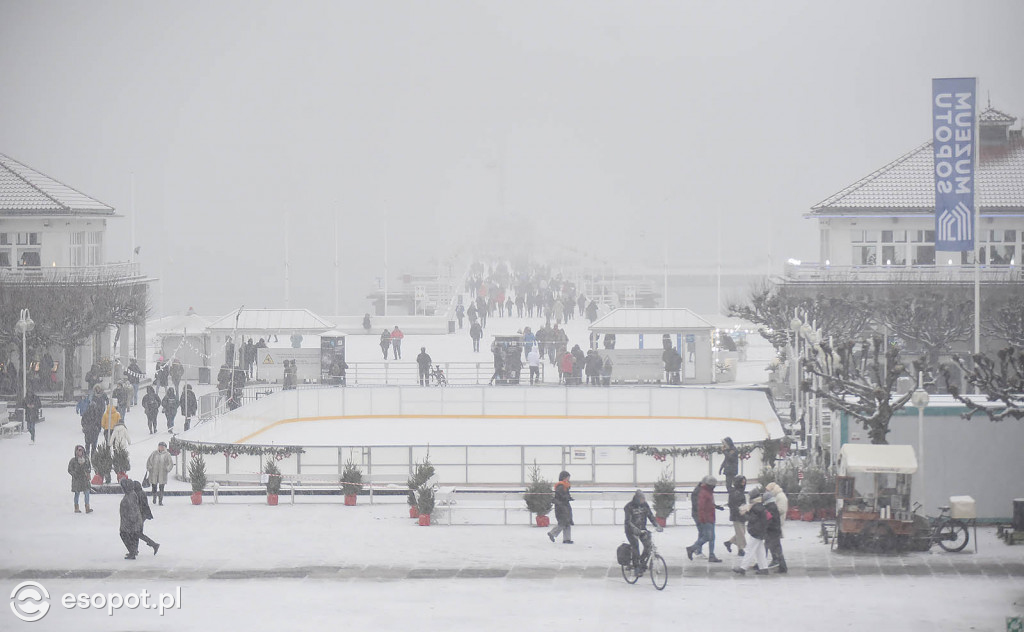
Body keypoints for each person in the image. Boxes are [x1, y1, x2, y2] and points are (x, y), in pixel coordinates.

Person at [686, 475, 724, 563]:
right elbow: (701, 507)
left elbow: (709, 504)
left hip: (710, 516)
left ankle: (711, 555)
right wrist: (702, 518)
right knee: (707, 536)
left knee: (711, 537)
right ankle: (693, 548)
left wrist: (716, 507)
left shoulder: (708, 492)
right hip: (706, 518)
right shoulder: (703, 492)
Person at [623, 491, 663, 572]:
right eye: (642, 498)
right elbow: (628, 521)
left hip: (642, 529)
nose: (643, 500)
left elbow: (650, 516)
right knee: (635, 546)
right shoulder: (629, 507)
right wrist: (635, 530)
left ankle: (642, 562)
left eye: (644, 498)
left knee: (648, 545)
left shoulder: (645, 505)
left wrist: (657, 525)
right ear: (637, 498)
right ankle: (636, 567)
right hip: (631, 531)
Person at [734, 487, 770, 576]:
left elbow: (752, 519)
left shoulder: (755, 507)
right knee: (759, 551)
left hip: (756, 531)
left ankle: (743, 568)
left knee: (750, 550)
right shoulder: (760, 506)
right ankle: (764, 568)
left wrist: (745, 513)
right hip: (760, 531)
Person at [763, 486, 787, 573]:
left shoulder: (771, 508)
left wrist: (766, 527)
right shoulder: (773, 506)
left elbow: (770, 520)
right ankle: (781, 565)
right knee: (776, 549)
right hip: (774, 531)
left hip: (772, 532)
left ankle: (781, 566)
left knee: (774, 549)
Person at [546, 471, 574, 543]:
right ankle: (552, 533)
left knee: (567, 523)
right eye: (567, 477)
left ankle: (567, 539)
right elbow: (561, 495)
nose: (568, 479)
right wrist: (567, 498)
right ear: (564, 478)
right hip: (561, 507)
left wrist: (569, 498)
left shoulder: (565, 485)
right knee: (563, 522)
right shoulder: (561, 486)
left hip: (564, 506)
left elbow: (565, 495)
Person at [133, 480, 160, 555]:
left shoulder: (138, 494)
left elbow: (140, 506)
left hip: (140, 515)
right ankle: (135, 550)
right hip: (143, 515)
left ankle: (154, 544)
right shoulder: (142, 493)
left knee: (137, 533)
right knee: (137, 533)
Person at [723, 475, 747, 557]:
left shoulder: (740, 491)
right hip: (737, 515)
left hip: (742, 514)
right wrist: (739, 510)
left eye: (744, 482)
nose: (743, 484)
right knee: (740, 533)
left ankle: (729, 542)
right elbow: (732, 504)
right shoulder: (734, 492)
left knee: (742, 532)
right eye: (742, 482)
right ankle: (741, 549)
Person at [119, 477, 142, 560]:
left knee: (124, 535)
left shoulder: (128, 498)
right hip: (133, 521)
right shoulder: (132, 494)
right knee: (132, 536)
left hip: (129, 522)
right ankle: (133, 551)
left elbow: (132, 511)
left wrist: (131, 520)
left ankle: (132, 552)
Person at [145, 441, 175, 506]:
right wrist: (149, 467)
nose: (161, 448)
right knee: (154, 487)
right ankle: (154, 497)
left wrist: (167, 469)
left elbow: (170, 464)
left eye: (162, 447)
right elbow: (149, 461)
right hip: (154, 474)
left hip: (162, 474)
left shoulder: (167, 455)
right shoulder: (154, 453)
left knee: (161, 487)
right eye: (160, 446)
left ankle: (160, 500)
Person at [68, 445, 93, 514]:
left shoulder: (86, 459)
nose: (80, 452)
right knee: (77, 493)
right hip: (77, 480)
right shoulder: (73, 461)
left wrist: (87, 472)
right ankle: (76, 507)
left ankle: (87, 507)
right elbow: (69, 469)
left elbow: (89, 467)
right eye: (78, 450)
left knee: (87, 492)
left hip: (85, 479)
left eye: (81, 450)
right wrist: (75, 474)